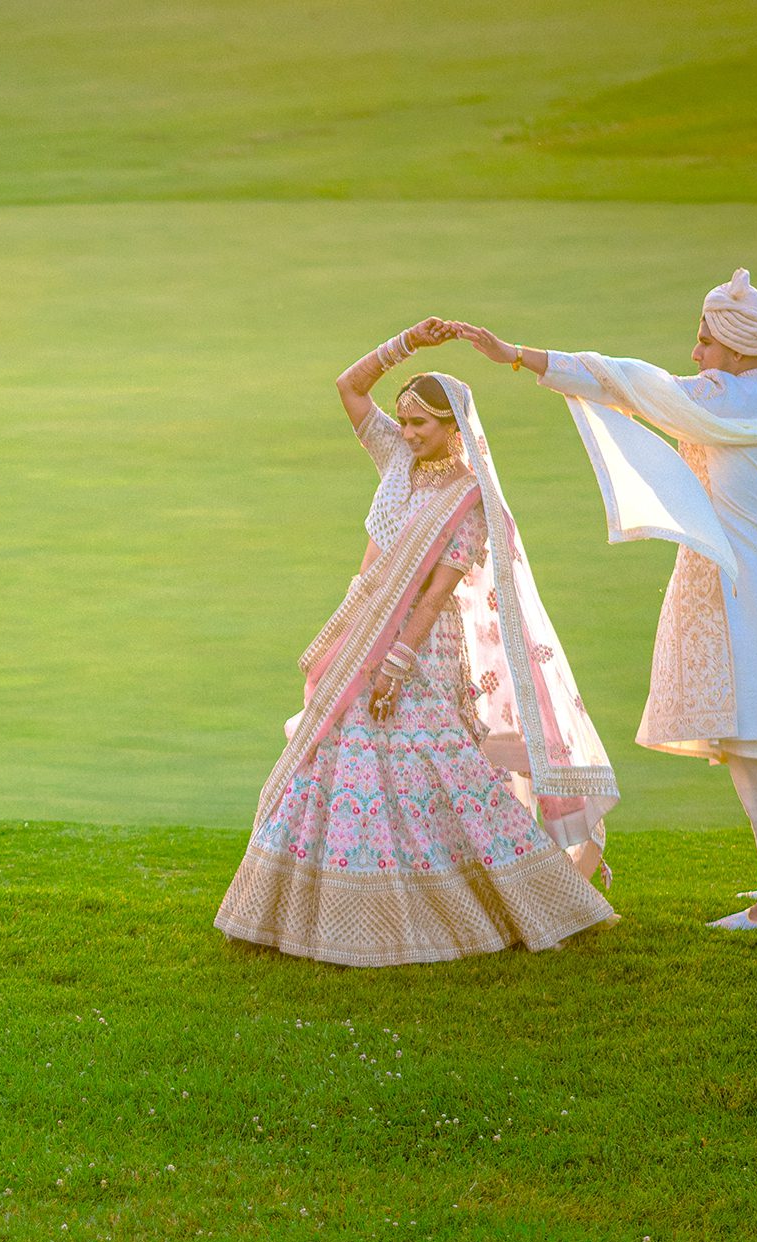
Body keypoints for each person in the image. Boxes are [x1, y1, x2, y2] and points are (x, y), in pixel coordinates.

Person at [451, 270, 757, 930]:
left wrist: (519, 356)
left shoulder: (719, 399)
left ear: (732, 346)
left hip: (741, 589)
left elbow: (622, 379)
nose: (697, 354)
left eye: (703, 340)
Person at [214, 318, 619, 966]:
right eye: (401, 421)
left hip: (422, 650)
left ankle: (480, 905)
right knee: (340, 760)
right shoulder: (397, 463)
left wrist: (398, 664)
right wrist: (407, 343)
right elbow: (348, 388)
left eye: (420, 424)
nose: (406, 433)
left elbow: (436, 593)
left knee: (430, 769)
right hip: (364, 631)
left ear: (454, 427)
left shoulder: (470, 498)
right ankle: (317, 912)